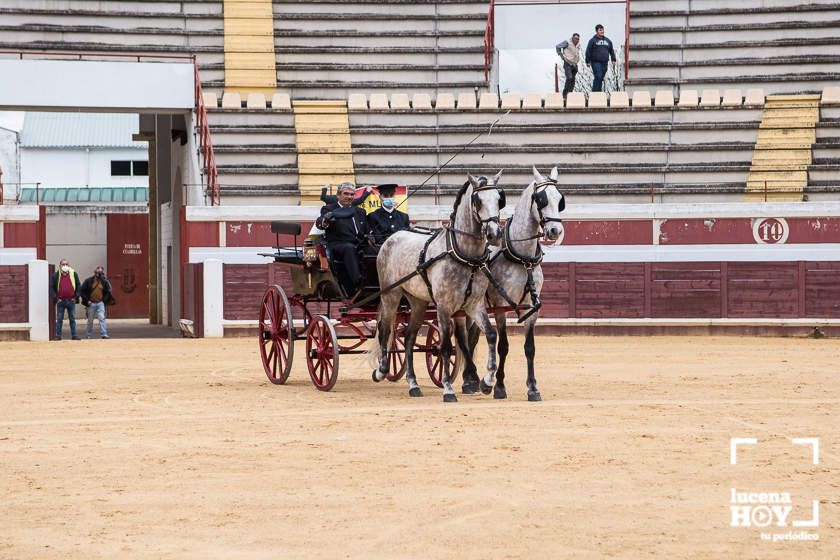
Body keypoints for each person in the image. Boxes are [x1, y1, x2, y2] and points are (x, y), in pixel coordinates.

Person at [316, 181, 370, 294]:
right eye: (346, 194)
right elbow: (320, 222)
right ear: (338, 195)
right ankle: (358, 281)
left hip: (359, 243)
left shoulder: (360, 211)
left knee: (375, 250)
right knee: (349, 248)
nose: (349, 197)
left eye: (352, 194)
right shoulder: (329, 209)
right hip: (337, 244)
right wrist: (326, 220)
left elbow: (366, 230)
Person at [50, 258, 81, 340]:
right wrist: (56, 298)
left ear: (69, 265)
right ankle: (58, 336)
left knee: (72, 319)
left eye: (66, 264)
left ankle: (74, 335)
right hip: (60, 301)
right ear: (60, 266)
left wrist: (76, 296)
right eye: (63, 264)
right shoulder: (55, 275)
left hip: (71, 300)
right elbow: (51, 288)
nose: (65, 266)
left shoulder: (73, 274)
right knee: (59, 320)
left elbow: (78, 286)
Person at [80, 266, 113, 339]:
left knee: (101, 318)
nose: (98, 274)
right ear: (94, 272)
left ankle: (104, 334)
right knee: (90, 320)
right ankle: (88, 335)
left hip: (100, 303)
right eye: (97, 272)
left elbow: (109, 290)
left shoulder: (104, 281)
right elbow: (82, 291)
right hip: (91, 303)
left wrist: (104, 300)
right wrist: (87, 300)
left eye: (100, 272)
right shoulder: (88, 281)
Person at [585, 24, 616, 93]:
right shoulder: (592, 41)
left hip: (605, 62)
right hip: (596, 62)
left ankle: (598, 92)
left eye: (602, 29)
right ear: (596, 31)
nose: (602, 31)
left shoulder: (608, 41)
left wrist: (613, 59)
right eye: (600, 30)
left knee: (600, 78)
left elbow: (611, 50)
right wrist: (587, 61)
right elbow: (588, 51)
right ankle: (595, 93)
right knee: (598, 76)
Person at [556, 33, 581, 99]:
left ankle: (570, 94)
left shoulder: (578, 45)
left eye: (578, 39)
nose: (576, 40)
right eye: (575, 38)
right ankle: (565, 94)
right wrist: (560, 55)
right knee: (569, 77)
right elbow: (558, 46)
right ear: (572, 38)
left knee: (572, 80)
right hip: (567, 63)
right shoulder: (567, 42)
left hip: (575, 64)